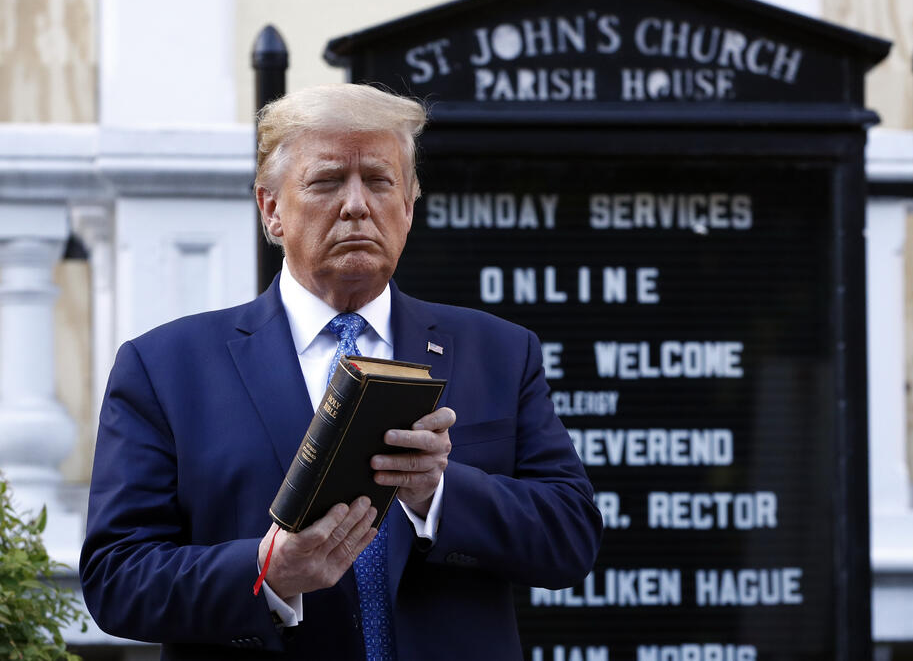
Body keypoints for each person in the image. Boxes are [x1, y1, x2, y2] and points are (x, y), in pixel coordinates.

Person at [80, 83, 602, 660]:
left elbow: (571, 537)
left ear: (407, 207)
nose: (357, 204)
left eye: (379, 181)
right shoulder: (166, 368)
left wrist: (439, 493)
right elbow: (116, 579)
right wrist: (267, 573)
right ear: (272, 209)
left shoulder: (501, 352)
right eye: (327, 181)